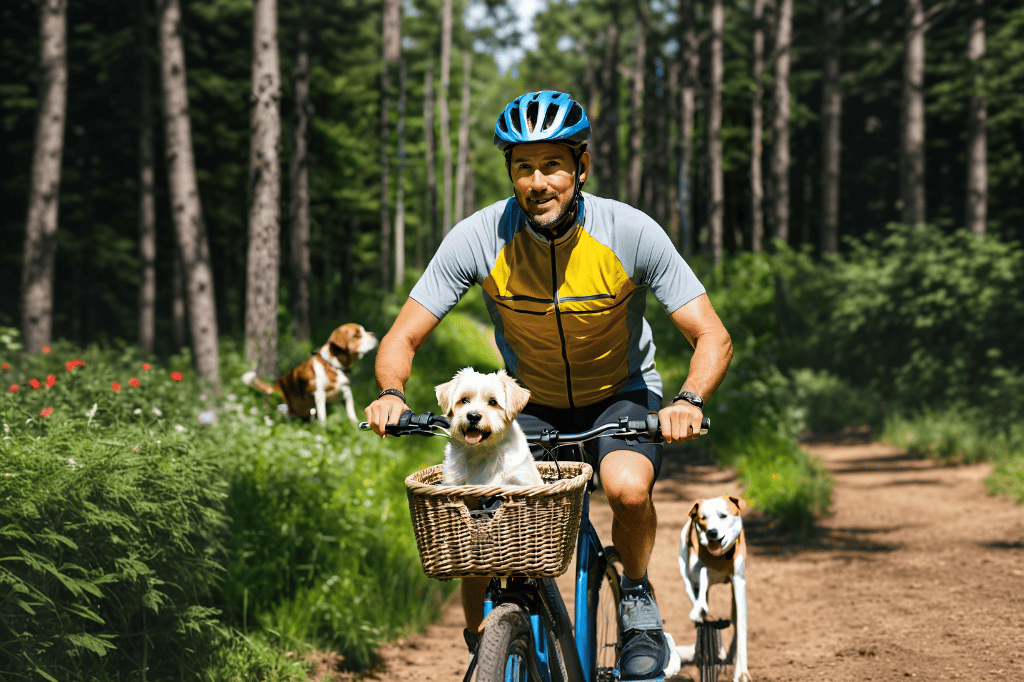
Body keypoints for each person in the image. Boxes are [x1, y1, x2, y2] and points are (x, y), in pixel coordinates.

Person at [365, 90, 732, 681]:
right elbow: (402, 339)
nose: (538, 181)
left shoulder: (630, 231)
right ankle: (484, 643)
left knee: (627, 489)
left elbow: (711, 336)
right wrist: (390, 393)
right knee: (479, 518)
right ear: (510, 172)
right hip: (526, 404)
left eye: (552, 165)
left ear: (580, 167)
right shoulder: (479, 237)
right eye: (523, 166)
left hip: (621, 394)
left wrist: (687, 402)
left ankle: (636, 598)